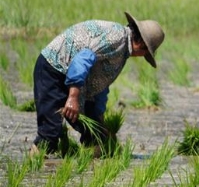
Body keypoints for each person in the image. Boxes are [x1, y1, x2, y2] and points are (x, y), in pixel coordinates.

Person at [31, 12, 165, 156]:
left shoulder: (122, 50)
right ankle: (37, 165)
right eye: (145, 54)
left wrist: (99, 117)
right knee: (50, 132)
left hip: (77, 78)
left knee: (95, 133)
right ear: (141, 45)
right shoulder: (116, 38)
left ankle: (92, 166)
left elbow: (100, 84)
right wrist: (73, 97)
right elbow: (81, 60)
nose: (141, 57)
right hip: (54, 69)